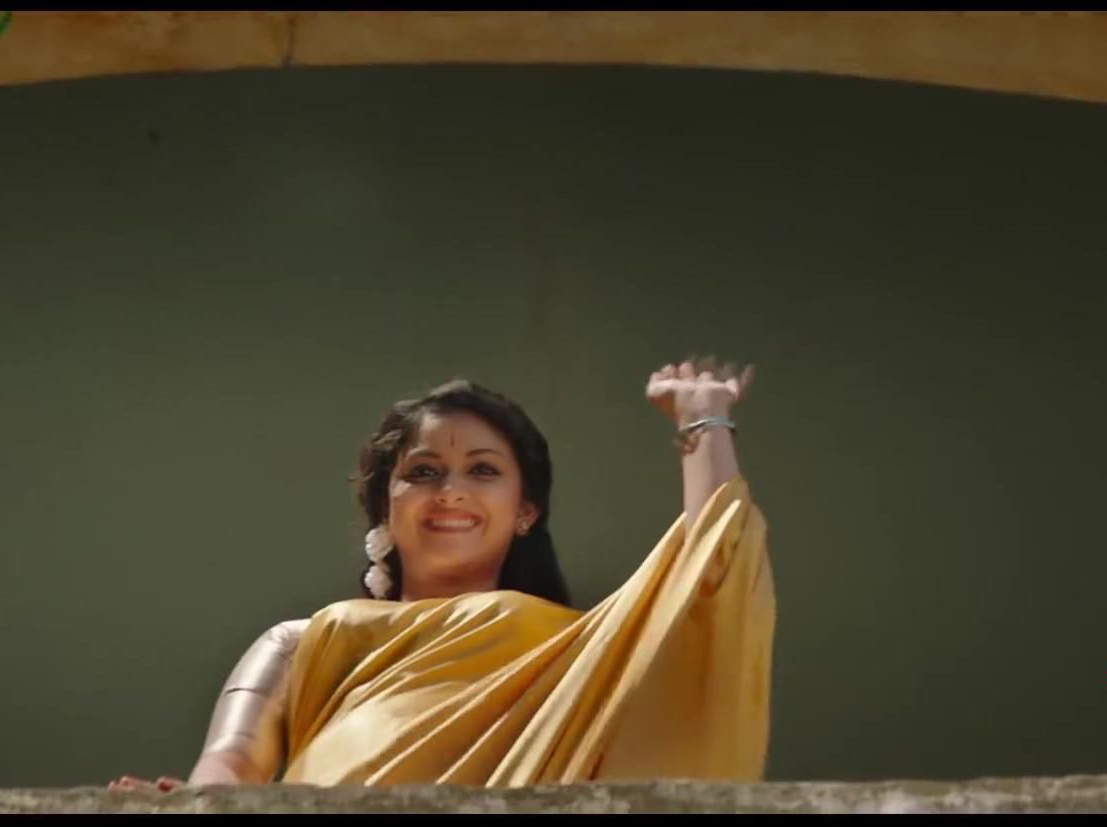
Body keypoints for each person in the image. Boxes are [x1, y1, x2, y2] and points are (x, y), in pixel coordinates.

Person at [109, 356, 775, 792]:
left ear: (524, 510)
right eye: (423, 472)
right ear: (385, 505)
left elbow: (706, 595)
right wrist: (193, 803)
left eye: (482, 470)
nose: (451, 490)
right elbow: (230, 764)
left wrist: (704, 421)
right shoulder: (301, 642)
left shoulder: (576, 659)